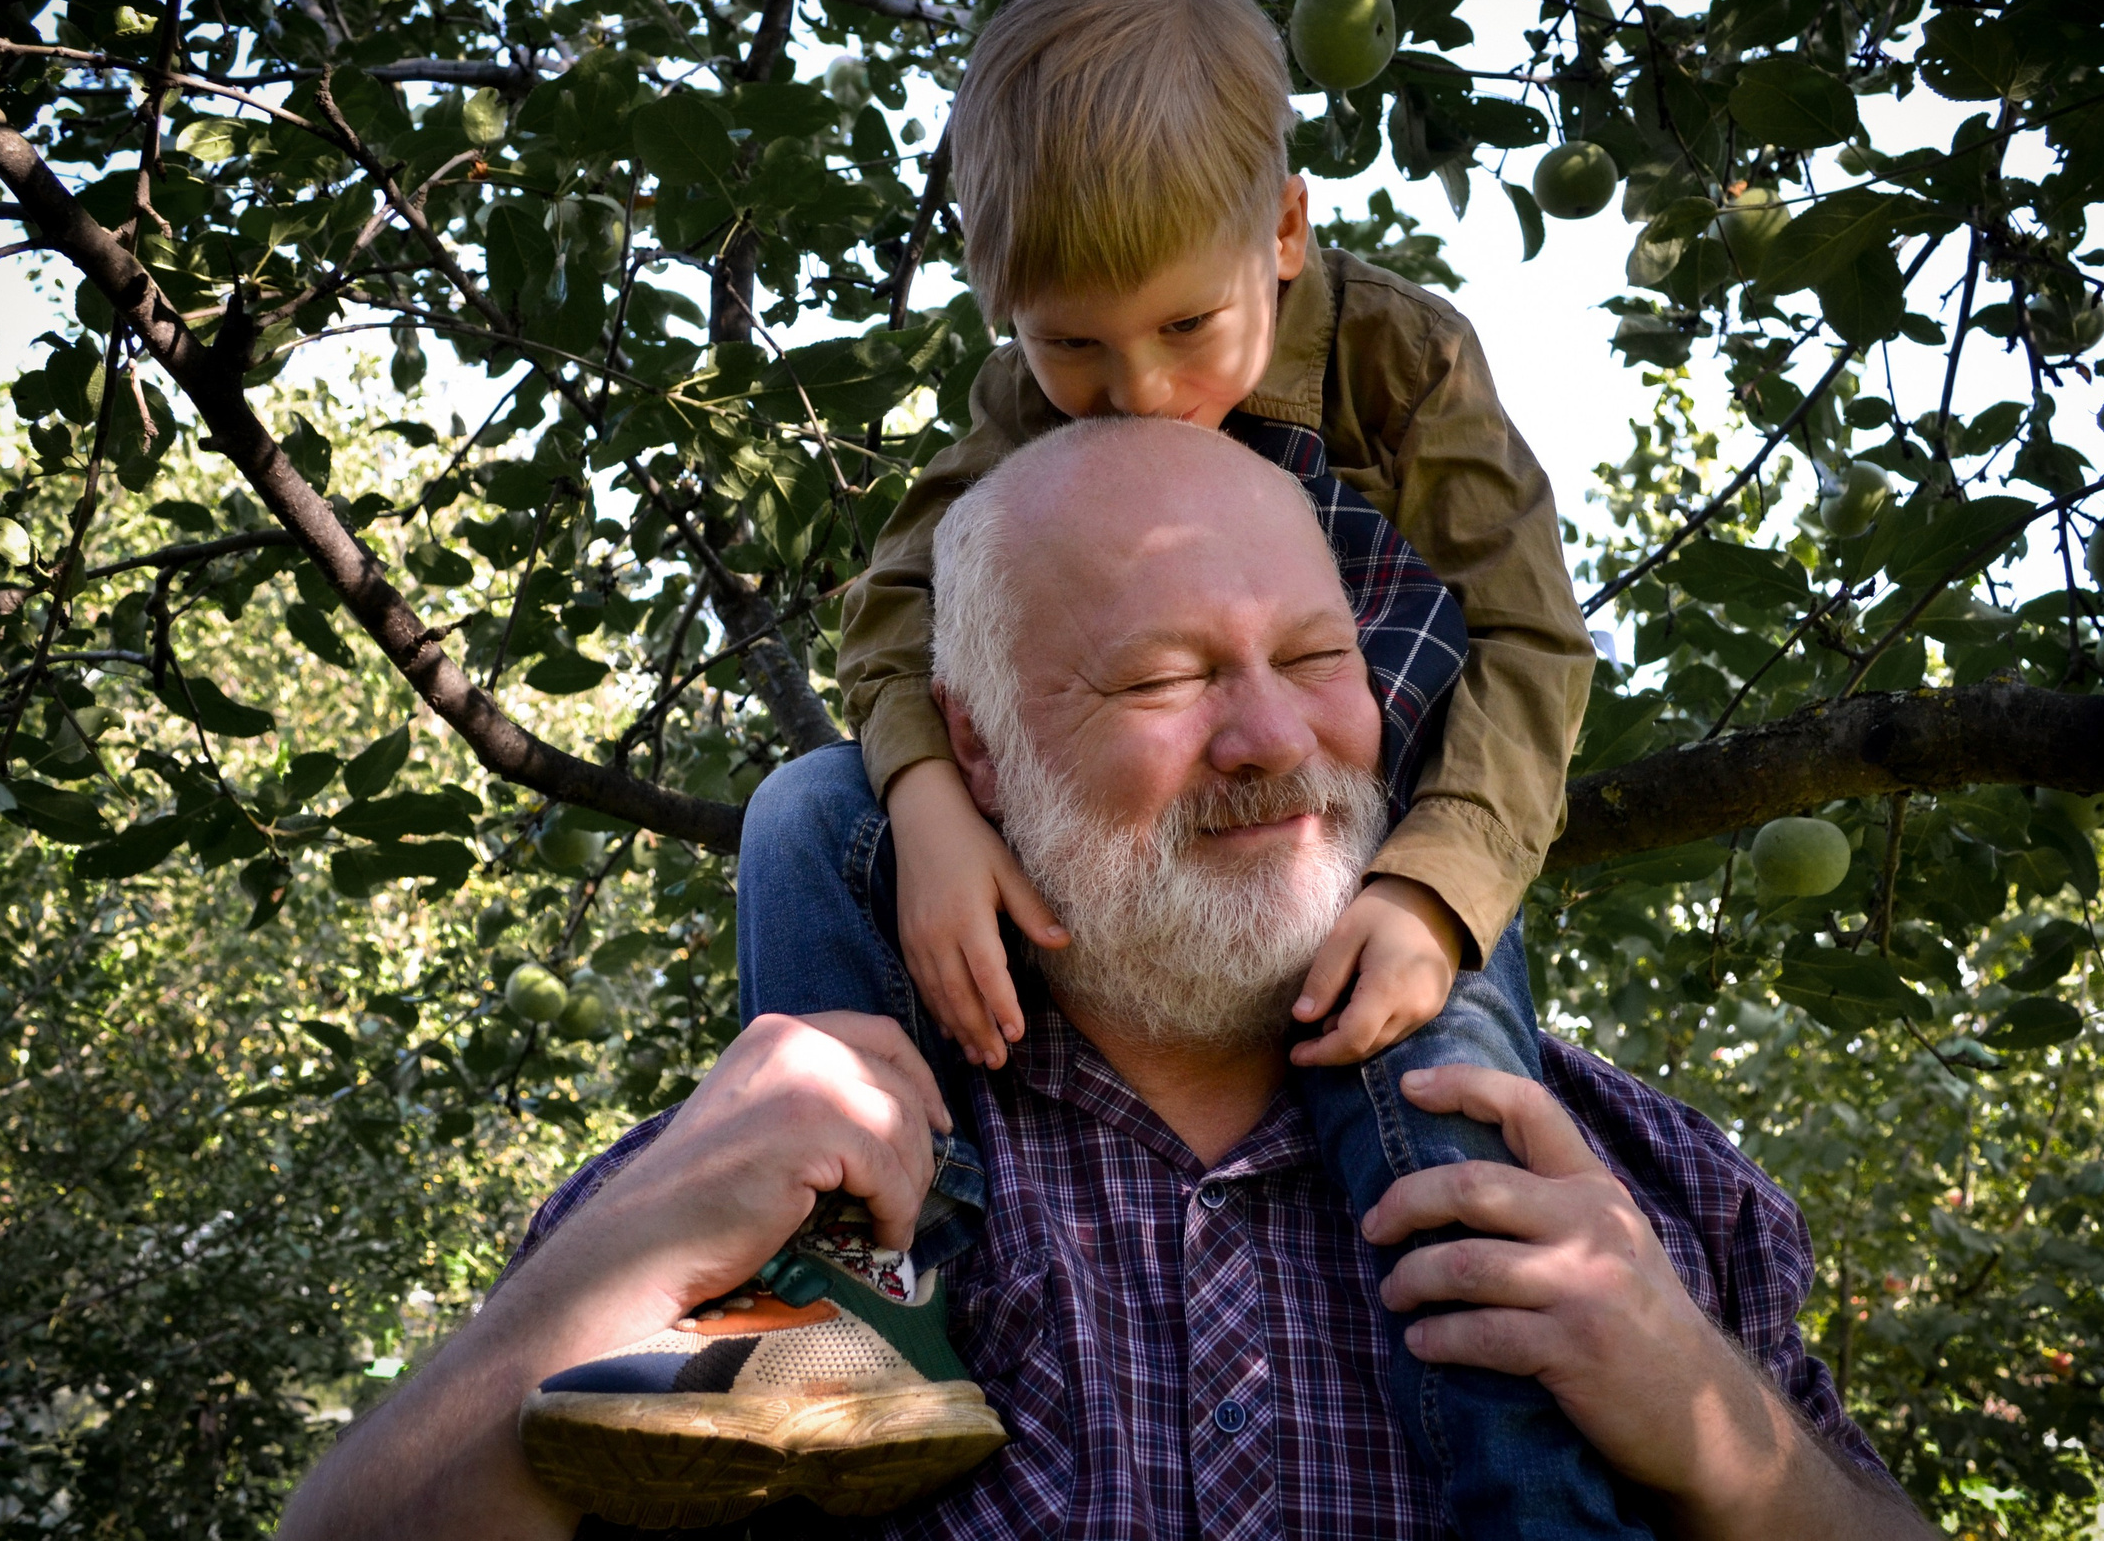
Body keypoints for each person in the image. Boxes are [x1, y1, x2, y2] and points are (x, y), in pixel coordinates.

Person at [276, 421, 1933, 1540]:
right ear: (972, 760)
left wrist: (1717, 1423)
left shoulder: (1640, 1197)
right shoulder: (769, 1182)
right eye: (1162, 676)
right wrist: (627, 1248)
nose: (1277, 741)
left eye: (1314, 658)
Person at [563, 0, 1618, 1533]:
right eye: (1074, 352)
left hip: (1376, 836)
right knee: (800, 811)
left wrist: (1438, 890)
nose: (1137, 394)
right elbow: (892, 608)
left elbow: (1535, 642)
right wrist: (922, 795)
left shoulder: (1405, 362)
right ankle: (853, 1291)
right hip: (1126, 848)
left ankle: (1539, 1505)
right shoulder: (1019, 394)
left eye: (1189, 327)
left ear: (1284, 233)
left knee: (1459, 1158)